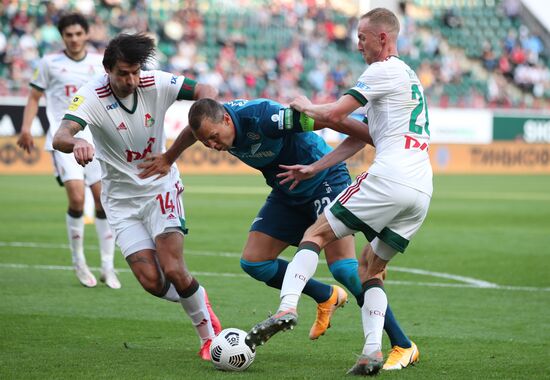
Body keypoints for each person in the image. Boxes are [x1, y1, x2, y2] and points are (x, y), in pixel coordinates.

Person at [138, 97, 417, 358]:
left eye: (213, 137)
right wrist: (169, 157)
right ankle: (326, 296)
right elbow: (191, 131)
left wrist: (371, 135)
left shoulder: (265, 118)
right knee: (254, 262)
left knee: (344, 267)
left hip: (325, 179)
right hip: (287, 190)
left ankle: (401, 343)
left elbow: (323, 120)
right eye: (206, 141)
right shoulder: (214, 125)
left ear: (226, 119)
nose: (212, 145)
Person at [247, 8, 432, 376]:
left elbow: (334, 114)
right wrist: (316, 167)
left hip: (390, 177)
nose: (357, 43)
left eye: (363, 36)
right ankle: (371, 352)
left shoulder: (381, 70)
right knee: (371, 267)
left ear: (383, 38)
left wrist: (305, 107)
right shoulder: (408, 77)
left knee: (315, 233)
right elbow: (361, 136)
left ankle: (287, 306)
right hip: (421, 187)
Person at [52, 33, 222, 360]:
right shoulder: (90, 95)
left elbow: (206, 92)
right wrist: (78, 143)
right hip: (120, 199)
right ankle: (198, 297)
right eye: (122, 74)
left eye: (135, 72)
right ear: (107, 71)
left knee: (173, 268)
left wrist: (175, 150)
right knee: (151, 281)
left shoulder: (156, 82)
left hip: (160, 187)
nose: (131, 80)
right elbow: (61, 135)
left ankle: (208, 338)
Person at [16, 13, 120, 289]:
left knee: (102, 201)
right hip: (63, 139)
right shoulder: (49, 63)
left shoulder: (100, 63)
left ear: (86, 34)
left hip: (96, 138)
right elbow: (34, 97)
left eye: (78, 33)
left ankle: (108, 267)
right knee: (77, 200)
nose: (74, 39)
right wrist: (26, 128)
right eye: (68, 35)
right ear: (62, 37)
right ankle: (79, 262)